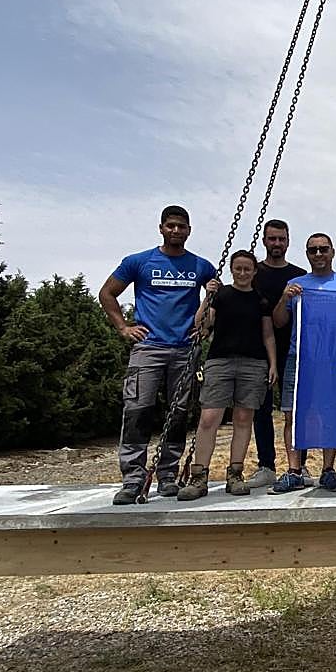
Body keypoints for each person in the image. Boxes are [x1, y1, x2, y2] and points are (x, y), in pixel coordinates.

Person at [99, 205, 217, 505]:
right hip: (148, 348)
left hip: (184, 351)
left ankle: (167, 474)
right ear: (162, 228)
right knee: (137, 412)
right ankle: (133, 479)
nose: (176, 231)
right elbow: (107, 293)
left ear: (189, 230)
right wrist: (124, 328)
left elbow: (216, 298)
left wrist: (205, 327)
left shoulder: (200, 266)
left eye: (182, 226)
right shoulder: (139, 262)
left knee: (178, 414)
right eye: (171, 226)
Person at [177, 250, 277, 501]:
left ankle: (235, 473)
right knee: (210, 418)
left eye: (247, 269)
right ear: (231, 270)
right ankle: (199, 476)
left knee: (244, 419)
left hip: (254, 363)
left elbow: (267, 334)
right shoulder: (221, 296)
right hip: (220, 361)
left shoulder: (260, 300)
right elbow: (201, 325)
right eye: (238, 269)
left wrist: (272, 364)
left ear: (254, 272)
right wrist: (206, 298)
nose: (242, 273)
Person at [270, 232, 336, 493]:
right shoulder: (295, 284)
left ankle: (328, 470)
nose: (318, 254)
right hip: (299, 358)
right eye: (313, 250)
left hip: (333, 361)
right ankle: (294, 470)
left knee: (331, 414)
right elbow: (278, 322)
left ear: (332, 252)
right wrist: (285, 298)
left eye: (323, 249)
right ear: (307, 254)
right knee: (293, 415)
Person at [249, 219, 307, 488]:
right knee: (260, 408)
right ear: (264, 240)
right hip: (257, 349)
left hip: (295, 349)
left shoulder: (300, 275)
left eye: (281, 239)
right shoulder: (253, 273)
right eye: (272, 239)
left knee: (296, 411)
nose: (276, 244)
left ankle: (299, 466)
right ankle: (266, 465)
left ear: (288, 241)